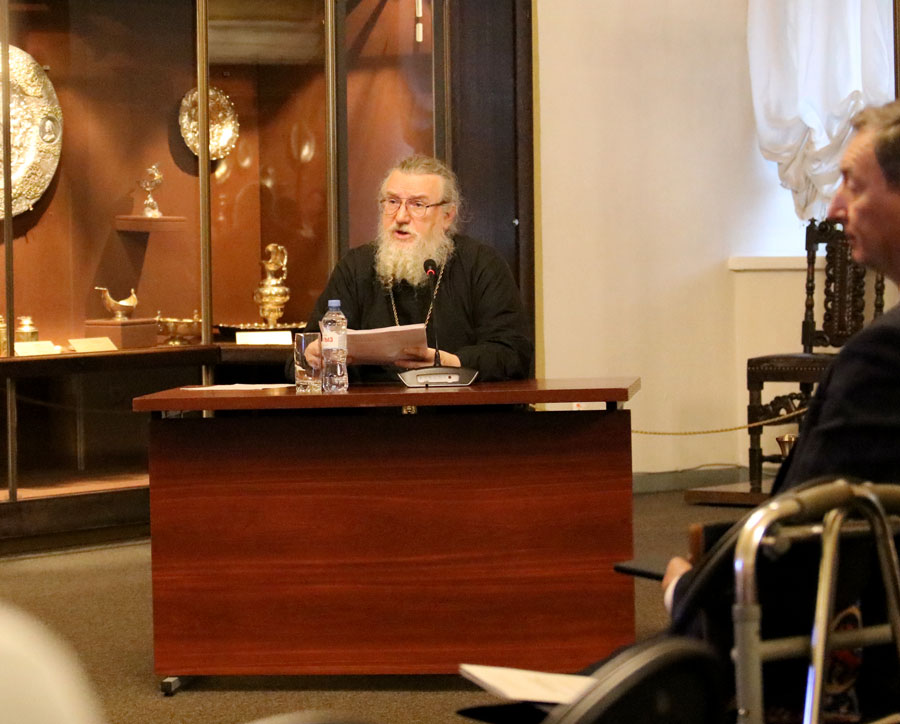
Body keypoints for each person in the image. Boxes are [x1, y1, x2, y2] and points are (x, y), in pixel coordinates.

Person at [660, 99, 900, 718]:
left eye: (852, 183)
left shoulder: (883, 361)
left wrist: (686, 593)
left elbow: (798, 556)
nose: (834, 207)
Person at [302, 154, 533, 383]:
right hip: (375, 405)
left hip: (457, 405)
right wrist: (313, 356)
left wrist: (449, 363)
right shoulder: (355, 267)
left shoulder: (481, 264)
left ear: (447, 216)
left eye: (418, 205)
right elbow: (306, 348)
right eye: (392, 202)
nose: (401, 216)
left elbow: (513, 353)